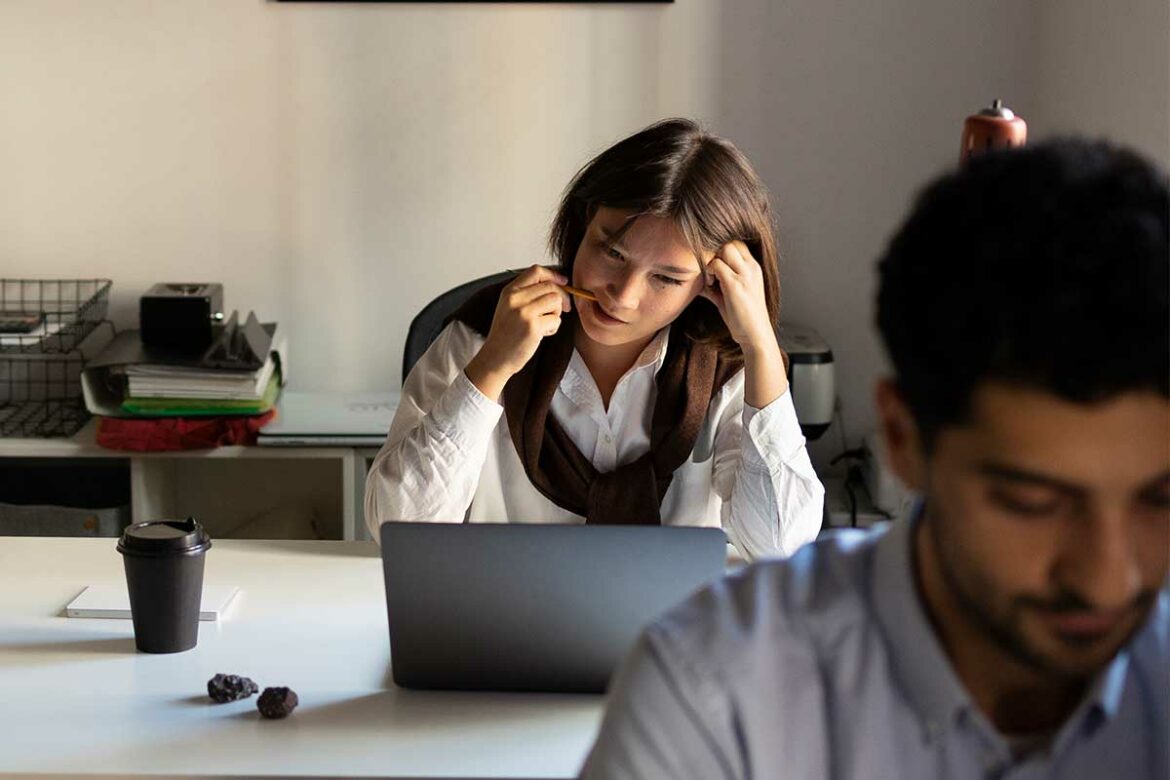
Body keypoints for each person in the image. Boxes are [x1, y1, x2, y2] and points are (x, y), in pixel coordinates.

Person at [580, 139, 1169, 779]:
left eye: (1161, 500)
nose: (1108, 577)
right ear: (902, 436)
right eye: (1032, 502)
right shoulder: (710, 691)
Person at [364, 118, 824, 560]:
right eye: (612, 251)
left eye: (665, 278)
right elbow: (398, 526)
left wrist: (761, 347)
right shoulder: (481, 333)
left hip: (676, 633)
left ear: (712, 282)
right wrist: (492, 367)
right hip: (502, 630)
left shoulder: (729, 367)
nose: (623, 297)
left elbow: (780, 544)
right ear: (586, 222)